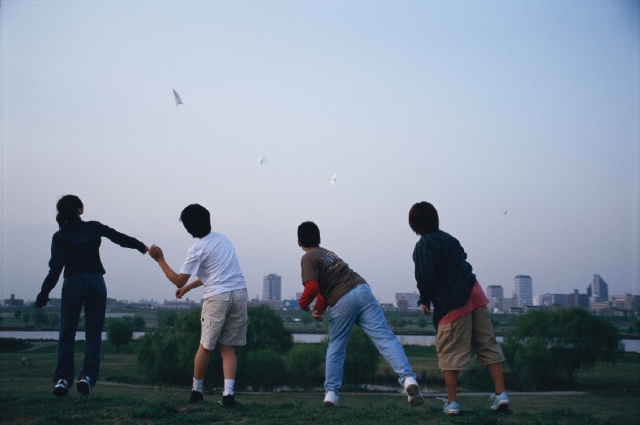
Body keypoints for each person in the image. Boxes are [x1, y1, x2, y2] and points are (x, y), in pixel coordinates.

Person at [296, 221, 424, 408]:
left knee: (336, 347)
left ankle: (331, 394)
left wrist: (303, 305)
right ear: (320, 239)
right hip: (362, 290)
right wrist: (319, 309)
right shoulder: (328, 254)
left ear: (299, 243)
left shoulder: (308, 257)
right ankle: (409, 380)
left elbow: (313, 286)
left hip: (342, 300)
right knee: (385, 339)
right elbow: (327, 286)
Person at [36, 195, 148, 397]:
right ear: (80, 209)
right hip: (97, 282)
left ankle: (63, 381)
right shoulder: (93, 227)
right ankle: (87, 378)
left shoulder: (60, 236)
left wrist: (44, 293)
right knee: (93, 335)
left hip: (73, 283)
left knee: (66, 334)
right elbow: (118, 237)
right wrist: (141, 246)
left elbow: (55, 269)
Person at [408, 201, 509, 415]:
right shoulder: (449, 238)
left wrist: (425, 300)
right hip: (474, 291)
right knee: (487, 343)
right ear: (435, 218)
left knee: (450, 351)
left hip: (452, 301)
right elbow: (462, 258)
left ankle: (452, 402)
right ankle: (501, 394)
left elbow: (425, 276)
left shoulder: (423, 246)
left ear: (414, 225)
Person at [148, 204, 247, 407]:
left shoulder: (197, 248)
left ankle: (196, 392)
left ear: (188, 229)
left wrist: (160, 260)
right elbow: (214, 275)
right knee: (227, 347)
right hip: (239, 294)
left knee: (205, 346)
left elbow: (178, 280)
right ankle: (228, 395)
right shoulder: (223, 239)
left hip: (217, 298)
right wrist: (189, 289)